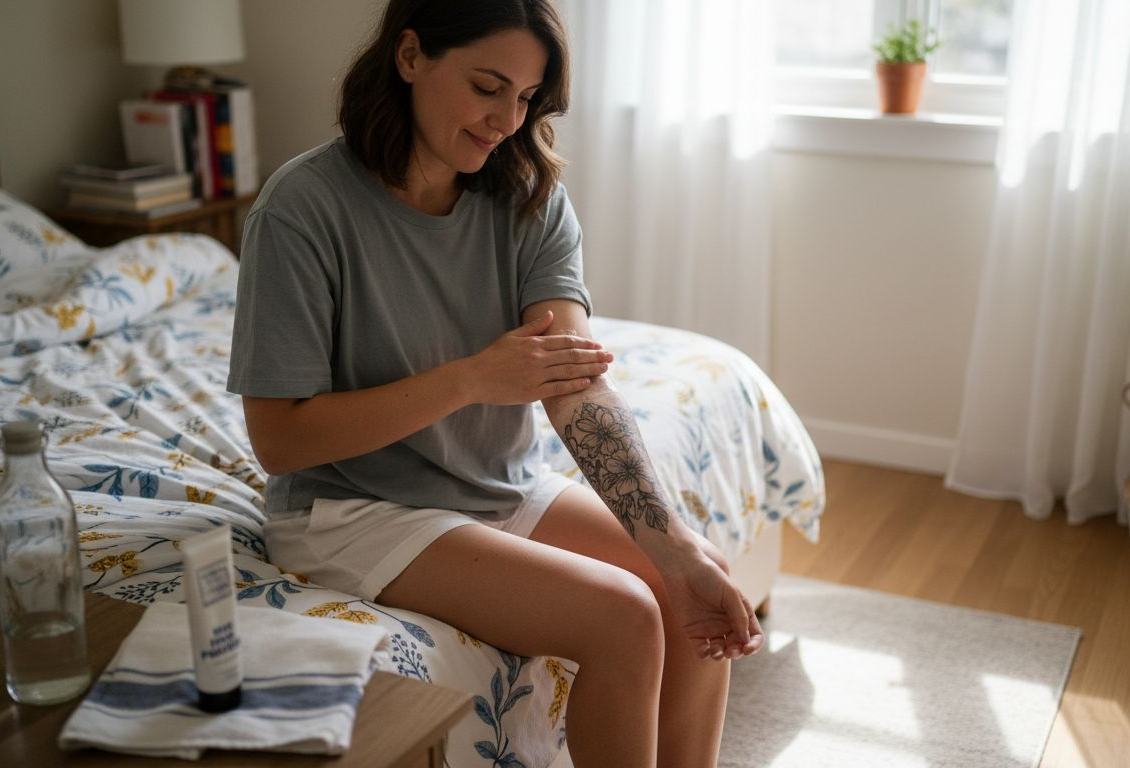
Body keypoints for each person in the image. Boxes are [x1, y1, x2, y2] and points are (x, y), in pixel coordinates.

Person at [226, 1, 764, 765]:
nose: (506, 120)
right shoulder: (302, 209)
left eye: (526, 100)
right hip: (352, 508)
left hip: (490, 482)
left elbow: (574, 386)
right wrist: (471, 380)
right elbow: (279, 440)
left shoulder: (529, 198)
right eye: (488, 87)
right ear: (410, 57)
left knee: (692, 587)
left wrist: (675, 548)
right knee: (624, 618)